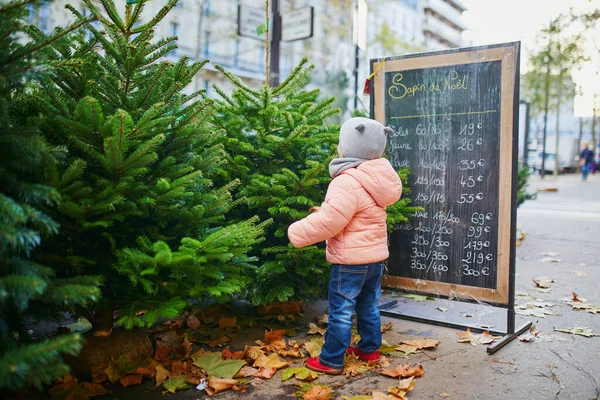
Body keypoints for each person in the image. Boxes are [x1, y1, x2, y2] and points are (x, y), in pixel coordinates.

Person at [287, 117, 402, 375]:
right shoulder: (378, 178)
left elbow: (331, 222)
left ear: (348, 147)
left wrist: (296, 231)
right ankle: (370, 350)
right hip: (374, 259)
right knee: (369, 304)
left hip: (350, 261)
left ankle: (330, 360)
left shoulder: (346, 181)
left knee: (341, 311)